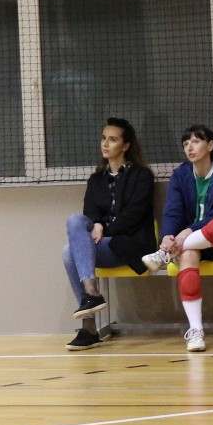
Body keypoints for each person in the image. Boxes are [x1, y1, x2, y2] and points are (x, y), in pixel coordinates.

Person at [142, 124, 213, 353]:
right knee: (188, 255)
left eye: (196, 141)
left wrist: (187, 232)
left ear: (210, 145)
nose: (189, 147)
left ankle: (165, 255)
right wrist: (168, 236)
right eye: (185, 144)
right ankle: (196, 331)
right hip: (191, 245)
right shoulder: (180, 175)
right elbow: (172, 211)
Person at [63, 119, 155, 350]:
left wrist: (105, 229)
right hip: (103, 243)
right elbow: (90, 212)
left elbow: (134, 215)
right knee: (74, 221)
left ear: (125, 145)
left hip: (129, 244)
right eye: (103, 138)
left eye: (112, 139)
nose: (105, 144)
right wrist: (96, 223)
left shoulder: (142, 175)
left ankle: (89, 327)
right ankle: (91, 291)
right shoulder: (96, 179)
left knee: (68, 252)